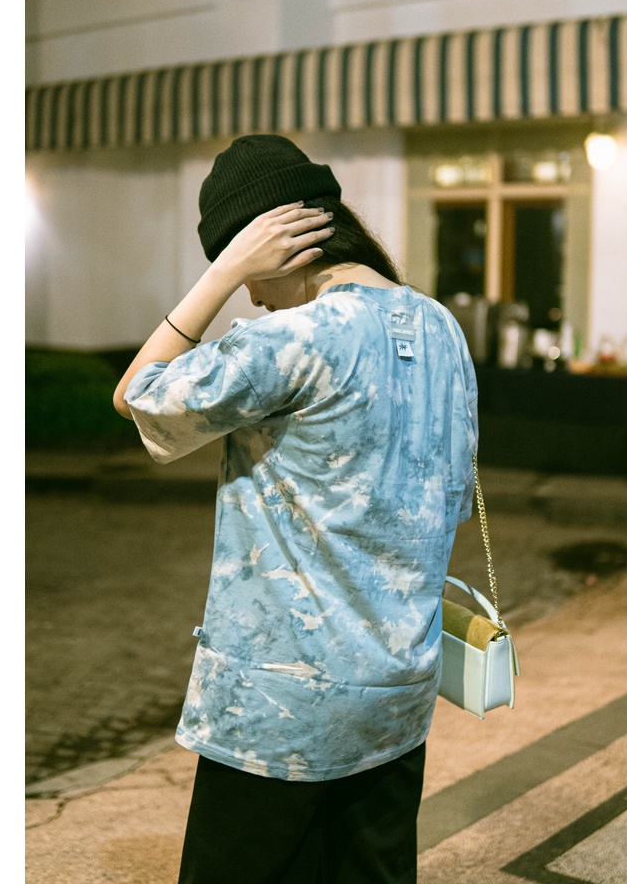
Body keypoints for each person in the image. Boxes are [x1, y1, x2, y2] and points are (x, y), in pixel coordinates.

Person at [112, 134, 478, 884]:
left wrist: (221, 273)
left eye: (248, 270)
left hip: (281, 703)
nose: (251, 296)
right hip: (398, 692)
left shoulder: (294, 338)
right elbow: (453, 499)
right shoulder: (441, 326)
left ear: (272, 243)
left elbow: (137, 394)